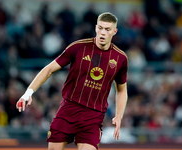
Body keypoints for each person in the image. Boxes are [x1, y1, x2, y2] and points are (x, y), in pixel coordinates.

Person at [16, 12, 128, 150]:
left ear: (114, 31)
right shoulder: (79, 47)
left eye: (107, 29)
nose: (102, 32)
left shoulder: (120, 58)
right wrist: (28, 93)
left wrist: (119, 116)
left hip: (94, 116)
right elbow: (49, 69)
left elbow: (121, 90)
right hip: (69, 109)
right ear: (95, 28)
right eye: (100, 28)